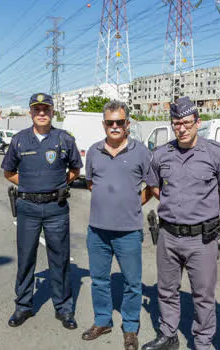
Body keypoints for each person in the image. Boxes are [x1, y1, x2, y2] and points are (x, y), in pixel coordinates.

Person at [141, 97, 220, 350]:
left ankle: (202, 342)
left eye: (187, 123)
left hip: (202, 238)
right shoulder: (160, 154)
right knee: (167, 290)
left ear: (198, 123)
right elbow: (155, 188)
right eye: (176, 123)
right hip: (168, 235)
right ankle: (169, 336)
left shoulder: (216, 153)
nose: (181, 128)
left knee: (203, 295)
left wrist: (207, 213)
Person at [1, 93, 82, 330]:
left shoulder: (64, 139)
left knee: (60, 258)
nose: (42, 113)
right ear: (31, 113)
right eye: (37, 109)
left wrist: (57, 185)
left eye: (46, 109)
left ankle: (64, 308)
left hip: (56, 208)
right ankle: (23, 306)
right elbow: (8, 172)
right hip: (28, 207)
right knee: (26, 258)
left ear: (52, 112)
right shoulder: (19, 140)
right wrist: (27, 185)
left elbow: (76, 169)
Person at [81, 101, 151, 350]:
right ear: (104, 124)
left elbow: (150, 187)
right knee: (99, 280)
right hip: (97, 230)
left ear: (127, 124)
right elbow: (91, 184)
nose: (114, 126)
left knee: (132, 283)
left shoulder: (141, 152)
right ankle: (103, 320)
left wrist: (132, 203)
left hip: (129, 232)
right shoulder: (93, 151)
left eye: (119, 122)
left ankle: (130, 327)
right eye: (109, 122)